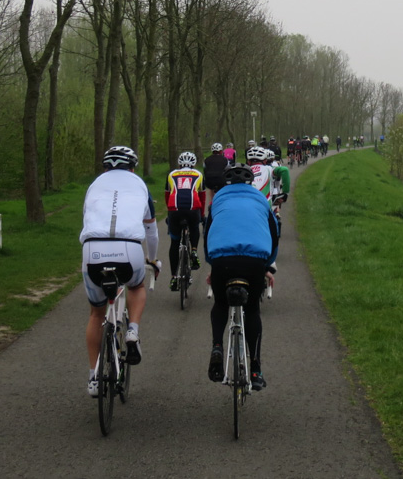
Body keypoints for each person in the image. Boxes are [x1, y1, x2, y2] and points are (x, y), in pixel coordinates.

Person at [80, 145, 159, 397]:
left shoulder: (94, 186)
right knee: (136, 285)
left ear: (105, 167)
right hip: (129, 249)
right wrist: (153, 260)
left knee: (96, 313)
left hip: (93, 250)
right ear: (132, 167)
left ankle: (94, 377)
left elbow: (88, 219)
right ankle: (133, 331)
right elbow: (152, 230)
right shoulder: (140, 185)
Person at [206, 164, 279, 391]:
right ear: (250, 182)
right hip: (254, 261)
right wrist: (268, 265)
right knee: (253, 311)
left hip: (222, 260)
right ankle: (255, 369)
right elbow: (274, 234)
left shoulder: (217, 200)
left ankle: (217, 345)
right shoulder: (260, 199)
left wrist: (212, 263)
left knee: (220, 304)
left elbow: (208, 232)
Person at [165, 152, 204, 290]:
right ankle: (193, 250)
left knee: (174, 243)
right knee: (194, 227)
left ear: (179, 163)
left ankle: (174, 278)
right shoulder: (199, 174)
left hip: (174, 210)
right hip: (192, 209)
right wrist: (202, 215)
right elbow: (202, 195)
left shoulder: (171, 174)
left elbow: (167, 194)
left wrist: (169, 213)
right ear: (193, 164)